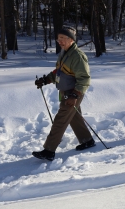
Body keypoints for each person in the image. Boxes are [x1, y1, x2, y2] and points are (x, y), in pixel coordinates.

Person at [32, 26, 94, 161]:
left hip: (73, 93)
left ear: (71, 39)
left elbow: (84, 78)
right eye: (58, 38)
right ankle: (87, 140)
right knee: (74, 117)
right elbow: (60, 72)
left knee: (60, 120)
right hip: (66, 91)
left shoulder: (77, 56)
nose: (59, 41)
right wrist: (46, 80)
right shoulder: (64, 53)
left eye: (62, 38)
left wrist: (75, 95)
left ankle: (49, 150)